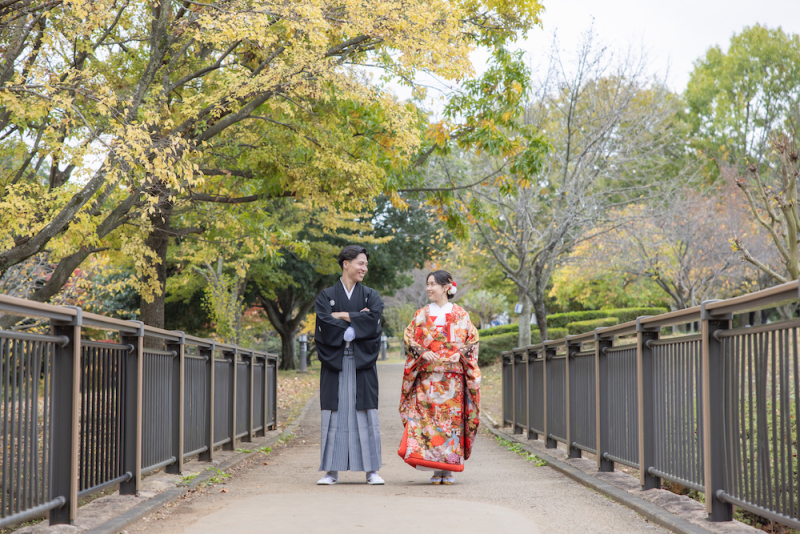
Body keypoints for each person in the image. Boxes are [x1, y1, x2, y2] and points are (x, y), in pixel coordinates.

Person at [398, 270, 481, 484]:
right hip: (427, 379)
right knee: (429, 422)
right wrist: (423, 352)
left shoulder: (461, 314)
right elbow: (409, 339)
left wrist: (458, 354)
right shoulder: (421, 314)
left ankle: (449, 468)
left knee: (451, 423)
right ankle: (436, 469)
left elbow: (472, 341)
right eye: (427, 284)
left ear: (446, 287)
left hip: (453, 380)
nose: (428, 288)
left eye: (433, 284)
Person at [315, 245, 385, 485]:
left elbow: (374, 319)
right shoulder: (326, 295)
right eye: (360, 263)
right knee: (335, 414)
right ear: (346, 263)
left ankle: (372, 470)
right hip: (335, 361)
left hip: (362, 362)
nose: (364, 268)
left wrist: (343, 316)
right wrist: (357, 319)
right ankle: (331, 471)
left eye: (365, 264)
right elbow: (323, 320)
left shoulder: (371, 295)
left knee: (365, 413)